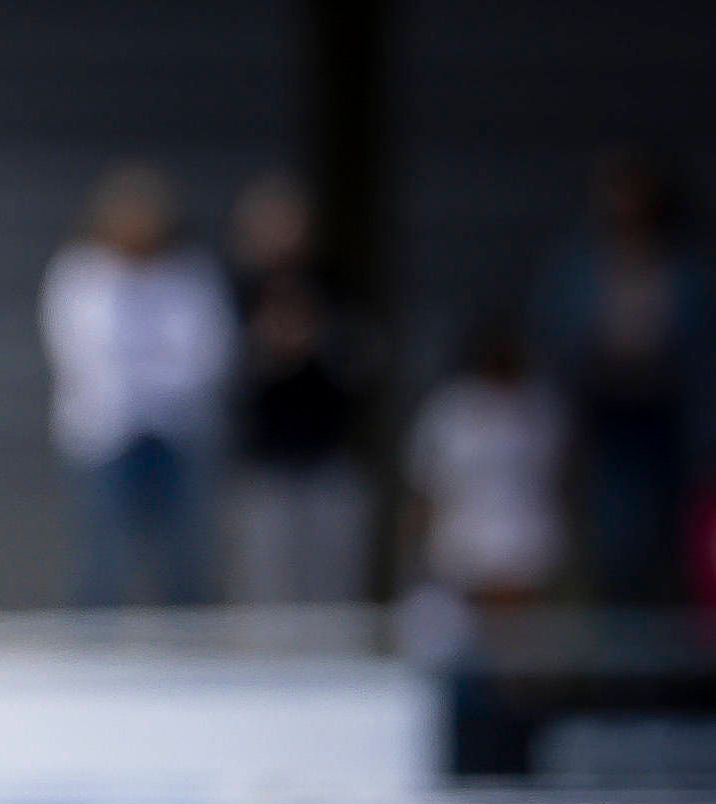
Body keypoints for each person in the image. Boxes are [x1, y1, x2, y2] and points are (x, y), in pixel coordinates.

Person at [41, 163, 234, 608]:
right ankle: (93, 652)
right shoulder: (80, 275)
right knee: (100, 556)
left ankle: (192, 659)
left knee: (184, 556)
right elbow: (78, 355)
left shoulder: (190, 275)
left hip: (176, 432)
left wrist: (159, 396)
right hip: (103, 435)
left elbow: (209, 354)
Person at [536, 149, 706, 608]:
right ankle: (615, 671)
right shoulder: (579, 267)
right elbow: (558, 344)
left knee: (677, 553)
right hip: (603, 423)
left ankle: (676, 675)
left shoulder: (686, 268)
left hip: (668, 421)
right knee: (613, 551)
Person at [221, 173, 370, 606]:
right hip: (262, 461)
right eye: (270, 225)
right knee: (265, 587)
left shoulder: (334, 285)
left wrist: (318, 339)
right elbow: (211, 374)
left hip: (329, 453)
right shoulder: (237, 293)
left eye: (290, 224)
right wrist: (264, 349)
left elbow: (366, 360)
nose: (281, 237)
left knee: (334, 586)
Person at [406, 315, 565, 610]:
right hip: (459, 550)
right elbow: (424, 487)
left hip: (523, 546)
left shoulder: (542, 407)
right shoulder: (449, 409)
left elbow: (556, 479)